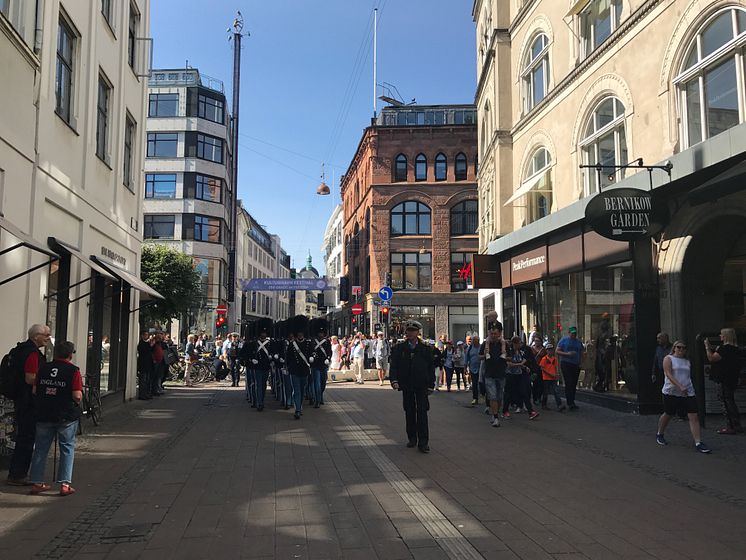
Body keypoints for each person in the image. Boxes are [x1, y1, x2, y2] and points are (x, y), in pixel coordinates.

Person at [28, 341, 82, 496]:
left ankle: (36, 482)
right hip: (65, 415)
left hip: (44, 413)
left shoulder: (43, 368)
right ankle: (65, 484)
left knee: (40, 448)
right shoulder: (73, 371)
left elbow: (35, 390)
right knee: (67, 448)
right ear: (70, 355)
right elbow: (77, 395)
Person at [6, 324, 50, 486]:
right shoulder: (32, 354)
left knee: (23, 435)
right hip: (28, 400)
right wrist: (45, 382)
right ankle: (18, 474)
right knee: (26, 436)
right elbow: (30, 378)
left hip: (19, 398)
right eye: (45, 335)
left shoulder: (19, 350)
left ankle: (16, 472)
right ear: (35, 336)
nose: (48, 338)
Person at [655, 341, 711, 453]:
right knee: (668, 413)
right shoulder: (668, 358)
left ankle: (698, 442)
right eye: (678, 347)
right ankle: (660, 433)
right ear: (674, 348)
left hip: (688, 391)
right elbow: (668, 373)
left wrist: (686, 386)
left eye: (683, 348)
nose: (681, 350)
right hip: (671, 391)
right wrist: (679, 386)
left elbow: (688, 375)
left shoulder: (687, 361)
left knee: (693, 416)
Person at [389, 320, 435, 453]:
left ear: (417, 333)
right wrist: (394, 380)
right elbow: (394, 366)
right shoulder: (400, 348)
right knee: (409, 411)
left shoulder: (425, 348)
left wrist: (431, 385)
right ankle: (412, 438)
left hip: (422, 385)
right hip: (407, 384)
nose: (410, 333)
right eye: (408, 331)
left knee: (422, 412)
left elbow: (431, 368)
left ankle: (423, 442)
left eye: (412, 331)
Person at [705, 328, 743, 435]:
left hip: (723, 378)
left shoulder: (724, 349)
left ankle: (731, 426)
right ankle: (736, 424)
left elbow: (712, 358)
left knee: (725, 401)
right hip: (732, 378)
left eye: (721, 334)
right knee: (730, 400)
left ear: (725, 336)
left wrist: (707, 347)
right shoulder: (736, 349)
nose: (720, 336)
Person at [480, 322, 508, 428]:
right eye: (491, 333)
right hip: (489, 374)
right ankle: (496, 417)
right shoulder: (485, 344)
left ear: (500, 333)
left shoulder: (504, 344)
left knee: (499, 396)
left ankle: (495, 413)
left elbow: (509, 357)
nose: (493, 335)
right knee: (493, 396)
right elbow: (479, 356)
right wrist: (485, 355)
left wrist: (504, 357)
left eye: (495, 333)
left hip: (501, 374)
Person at [504, 336, 539, 419]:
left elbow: (519, 361)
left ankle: (531, 412)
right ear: (515, 344)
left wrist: (524, 367)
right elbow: (509, 364)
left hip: (519, 374)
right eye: (519, 343)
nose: (520, 345)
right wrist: (519, 365)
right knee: (509, 394)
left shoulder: (519, 351)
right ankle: (505, 411)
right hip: (510, 375)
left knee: (524, 392)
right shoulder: (510, 352)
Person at [286, 316, 313, 419]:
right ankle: (297, 409)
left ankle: (299, 406)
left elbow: (312, 353)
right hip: (294, 370)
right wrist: (288, 366)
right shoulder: (292, 344)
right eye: (299, 332)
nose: (300, 334)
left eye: (302, 332)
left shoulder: (308, 344)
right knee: (296, 390)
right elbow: (288, 357)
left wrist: (311, 357)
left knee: (302, 390)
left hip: (304, 370)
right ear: (296, 333)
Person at [556, 326, 584, 410]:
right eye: (572, 333)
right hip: (566, 363)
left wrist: (581, 362)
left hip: (575, 364)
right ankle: (569, 402)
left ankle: (572, 401)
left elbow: (582, 352)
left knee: (574, 383)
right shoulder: (564, 340)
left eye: (575, 334)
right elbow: (557, 351)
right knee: (569, 382)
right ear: (569, 333)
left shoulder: (578, 342)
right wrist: (567, 354)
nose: (573, 335)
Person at [310, 318, 331, 407]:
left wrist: (328, 358)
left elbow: (329, 352)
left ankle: (320, 395)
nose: (321, 334)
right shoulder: (313, 342)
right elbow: (310, 351)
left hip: (323, 364)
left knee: (323, 382)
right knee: (317, 383)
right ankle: (317, 400)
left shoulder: (327, 342)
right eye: (319, 332)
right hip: (315, 364)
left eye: (322, 332)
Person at [539, 343, 565, 411]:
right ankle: (544, 404)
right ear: (546, 351)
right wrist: (550, 374)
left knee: (556, 391)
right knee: (546, 392)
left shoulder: (554, 359)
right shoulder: (544, 359)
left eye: (551, 350)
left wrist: (556, 374)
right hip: (546, 378)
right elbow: (542, 368)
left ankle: (559, 405)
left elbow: (556, 367)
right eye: (549, 350)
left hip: (553, 378)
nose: (550, 351)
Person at [136, 331, 154, 399]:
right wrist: (150, 346)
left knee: (147, 380)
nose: (147, 336)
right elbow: (144, 351)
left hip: (148, 364)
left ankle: (146, 393)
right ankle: (142, 395)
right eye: (145, 335)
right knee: (143, 380)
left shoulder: (147, 343)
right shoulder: (141, 343)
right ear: (142, 336)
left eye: (147, 335)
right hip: (143, 364)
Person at [465, 335, 482, 406]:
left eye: (476, 340)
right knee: (474, 383)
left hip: (481, 368)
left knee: (481, 383)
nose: (475, 341)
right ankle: (475, 398)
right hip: (472, 368)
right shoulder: (470, 348)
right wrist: (465, 366)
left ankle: (482, 395)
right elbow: (467, 357)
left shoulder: (481, 347)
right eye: (473, 340)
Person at [151, 332, 165, 396]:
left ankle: (157, 389)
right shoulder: (154, 344)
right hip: (155, 362)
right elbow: (152, 352)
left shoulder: (160, 344)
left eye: (160, 338)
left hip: (160, 362)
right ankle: (154, 390)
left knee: (158, 376)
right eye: (159, 338)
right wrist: (153, 359)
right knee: (155, 376)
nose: (160, 339)